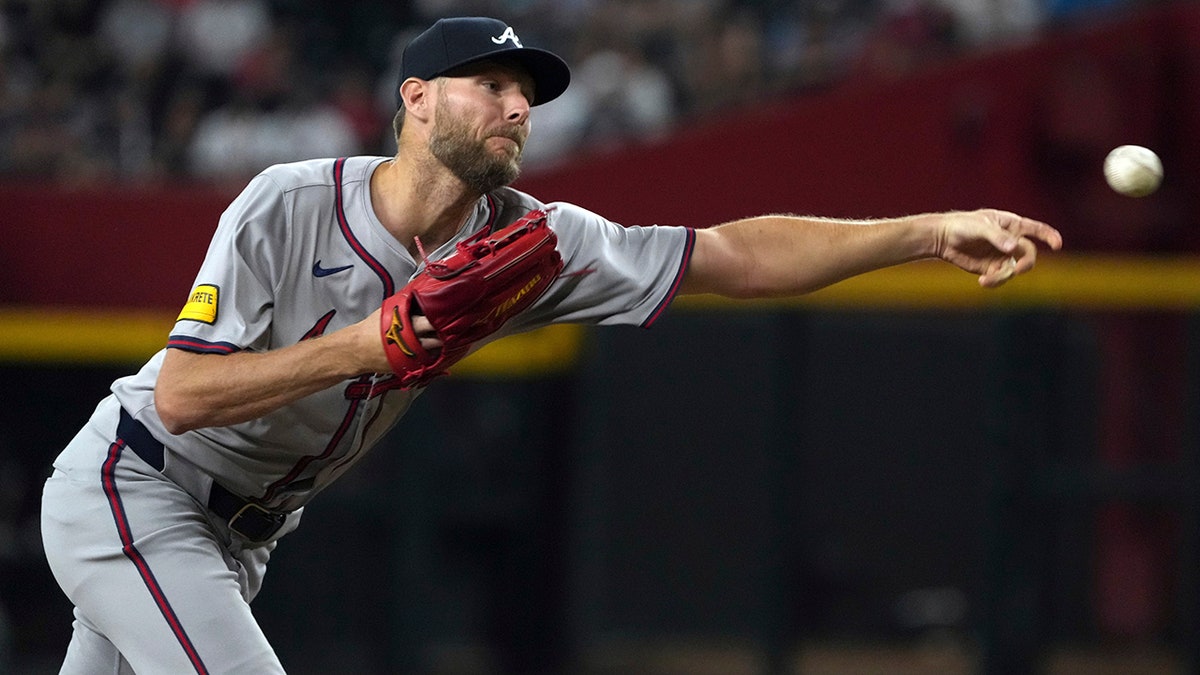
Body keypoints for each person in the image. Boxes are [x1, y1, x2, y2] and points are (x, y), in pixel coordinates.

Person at [40, 15, 1063, 674]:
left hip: (246, 535)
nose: (518, 107)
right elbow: (180, 396)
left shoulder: (531, 244)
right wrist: (369, 344)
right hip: (138, 488)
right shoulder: (291, 202)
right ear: (418, 99)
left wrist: (926, 230)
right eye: (490, 84)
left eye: (526, 93)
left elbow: (732, 257)